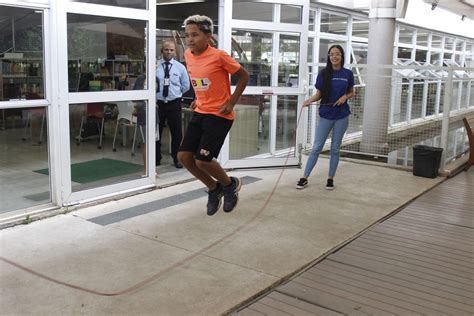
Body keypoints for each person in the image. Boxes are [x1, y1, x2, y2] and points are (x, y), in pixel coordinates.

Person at [177, 15, 249, 216]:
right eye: (187, 35)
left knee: (203, 160)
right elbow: (200, 80)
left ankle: (230, 184)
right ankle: (214, 188)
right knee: (184, 156)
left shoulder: (219, 56)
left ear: (208, 36)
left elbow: (244, 76)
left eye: (195, 35)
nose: (190, 39)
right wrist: (197, 98)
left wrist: (231, 102)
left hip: (219, 115)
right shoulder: (188, 55)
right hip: (200, 111)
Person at [296, 44, 354, 190]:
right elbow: (319, 94)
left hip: (342, 116)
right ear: (329, 57)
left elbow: (352, 92)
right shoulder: (323, 74)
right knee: (316, 148)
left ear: (341, 56)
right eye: (332, 54)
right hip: (326, 115)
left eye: (337, 54)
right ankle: (304, 177)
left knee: (335, 149)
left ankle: (330, 178)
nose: (334, 56)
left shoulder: (348, 74)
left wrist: (345, 97)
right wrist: (309, 100)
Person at [156, 40, 190, 168]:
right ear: (162, 51)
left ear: (175, 52)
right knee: (156, 132)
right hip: (158, 104)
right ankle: (156, 158)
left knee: (176, 133)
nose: (169, 52)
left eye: (171, 50)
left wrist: (176, 93)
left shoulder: (180, 68)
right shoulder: (155, 66)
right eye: (166, 49)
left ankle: (177, 159)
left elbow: (186, 85)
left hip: (174, 104)